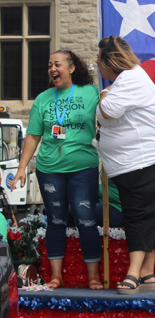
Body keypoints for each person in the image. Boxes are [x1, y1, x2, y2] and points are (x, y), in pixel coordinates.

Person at [11, 49, 103, 290]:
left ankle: (93, 276)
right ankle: (56, 276)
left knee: (86, 219)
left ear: (71, 68)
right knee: (56, 219)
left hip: (83, 167)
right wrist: (22, 168)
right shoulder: (42, 99)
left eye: (58, 64)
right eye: (50, 65)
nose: (53, 69)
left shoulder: (91, 93)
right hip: (49, 168)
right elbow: (32, 136)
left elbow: (110, 114)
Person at [97, 36, 155, 294]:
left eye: (99, 59)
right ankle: (147, 274)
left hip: (145, 159)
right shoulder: (128, 79)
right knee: (148, 215)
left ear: (110, 60)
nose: (97, 65)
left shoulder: (130, 79)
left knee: (138, 215)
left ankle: (133, 274)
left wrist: (104, 93)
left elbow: (108, 111)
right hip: (134, 161)